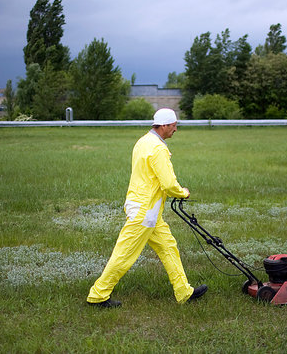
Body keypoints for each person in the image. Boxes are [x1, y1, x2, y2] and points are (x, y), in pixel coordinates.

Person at [87, 108, 207, 308]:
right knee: (124, 255)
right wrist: (183, 192)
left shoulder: (143, 141)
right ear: (164, 125)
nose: (176, 129)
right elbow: (168, 184)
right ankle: (98, 295)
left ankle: (183, 291)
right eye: (174, 125)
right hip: (145, 212)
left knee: (168, 247)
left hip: (145, 208)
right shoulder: (158, 148)